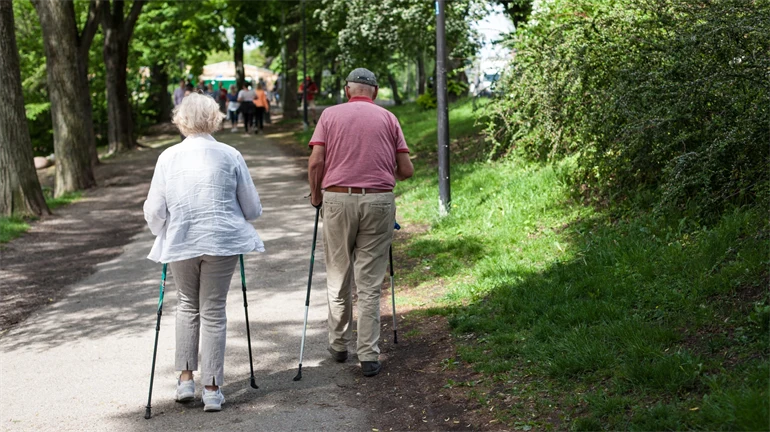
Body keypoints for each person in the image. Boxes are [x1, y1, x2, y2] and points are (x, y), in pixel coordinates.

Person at [143, 92, 264, 412]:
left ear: (180, 120)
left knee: (186, 305)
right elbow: (252, 209)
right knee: (213, 309)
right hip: (221, 241)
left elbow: (154, 210)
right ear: (215, 118)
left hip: (183, 240)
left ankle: (185, 380)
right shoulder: (230, 154)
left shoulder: (168, 157)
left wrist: (163, 232)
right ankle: (212, 388)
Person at [307, 68, 414, 377]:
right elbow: (406, 170)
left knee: (338, 273)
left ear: (347, 90)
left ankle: (339, 344)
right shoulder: (389, 119)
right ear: (376, 93)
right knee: (369, 283)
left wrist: (316, 196)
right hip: (379, 202)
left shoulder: (329, 115)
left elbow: (316, 162)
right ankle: (368, 354)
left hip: (338, 200)